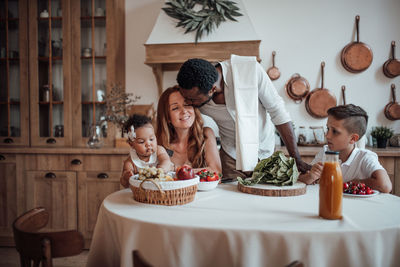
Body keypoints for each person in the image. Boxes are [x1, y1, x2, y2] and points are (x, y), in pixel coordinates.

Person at [176, 56, 310, 181]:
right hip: (230, 157)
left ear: (212, 89)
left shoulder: (250, 70)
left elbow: (278, 111)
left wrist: (296, 159)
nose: (188, 102)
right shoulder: (193, 92)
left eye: (192, 100)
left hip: (265, 154)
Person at [299, 104, 392, 193]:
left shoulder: (365, 157)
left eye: (335, 131)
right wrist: (310, 177)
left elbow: (385, 186)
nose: (327, 135)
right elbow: (301, 180)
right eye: (328, 129)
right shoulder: (325, 151)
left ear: (353, 138)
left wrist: (352, 182)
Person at [156, 86, 222, 174]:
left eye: (187, 104)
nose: (184, 111)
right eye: (175, 108)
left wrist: (175, 169)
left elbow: (216, 171)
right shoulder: (159, 143)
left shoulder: (206, 134)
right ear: (167, 117)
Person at [120, 114, 174, 188]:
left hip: (163, 188)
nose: (148, 144)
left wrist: (161, 170)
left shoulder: (159, 150)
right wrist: (126, 177)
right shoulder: (130, 162)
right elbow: (124, 184)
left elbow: (166, 161)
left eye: (151, 139)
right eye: (141, 142)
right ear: (131, 144)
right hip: (143, 192)